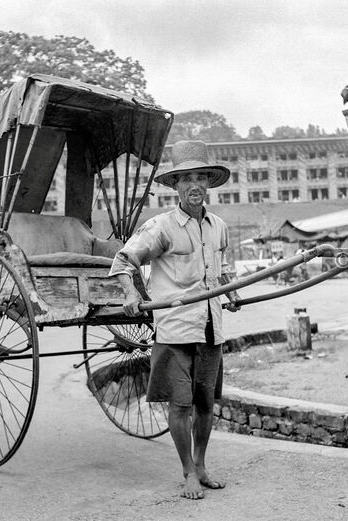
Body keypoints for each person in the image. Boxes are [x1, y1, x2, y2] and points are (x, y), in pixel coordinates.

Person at [109, 140, 240, 500]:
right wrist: (131, 293)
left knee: (205, 405)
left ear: (209, 184)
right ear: (176, 186)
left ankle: (201, 464)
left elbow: (223, 268)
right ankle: (187, 473)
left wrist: (231, 293)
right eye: (186, 179)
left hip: (211, 328)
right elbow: (123, 260)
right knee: (180, 406)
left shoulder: (218, 227)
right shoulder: (161, 227)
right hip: (176, 329)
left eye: (201, 177)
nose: (194, 185)